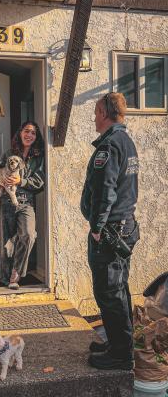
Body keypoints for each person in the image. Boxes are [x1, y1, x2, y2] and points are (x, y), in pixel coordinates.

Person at [80, 92, 140, 371]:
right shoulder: (125, 141)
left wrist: (97, 228)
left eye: (95, 112)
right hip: (123, 227)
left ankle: (121, 354)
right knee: (118, 289)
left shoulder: (110, 145)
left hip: (110, 230)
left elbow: (106, 191)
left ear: (104, 113)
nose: (94, 117)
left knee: (109, 291)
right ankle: (119, 343)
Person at [0, 121, 45, 290]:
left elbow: (40, 182)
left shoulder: (38, 158)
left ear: (36, 137)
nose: (29, 135)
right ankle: (7, 280)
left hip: (26, 203)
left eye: (33, 133)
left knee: (28, 235)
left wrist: (22, 180)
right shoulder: (8, 154)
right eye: (26, 131)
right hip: (6, 201)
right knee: (7, 244)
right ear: (20, 133)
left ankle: (16, 272)